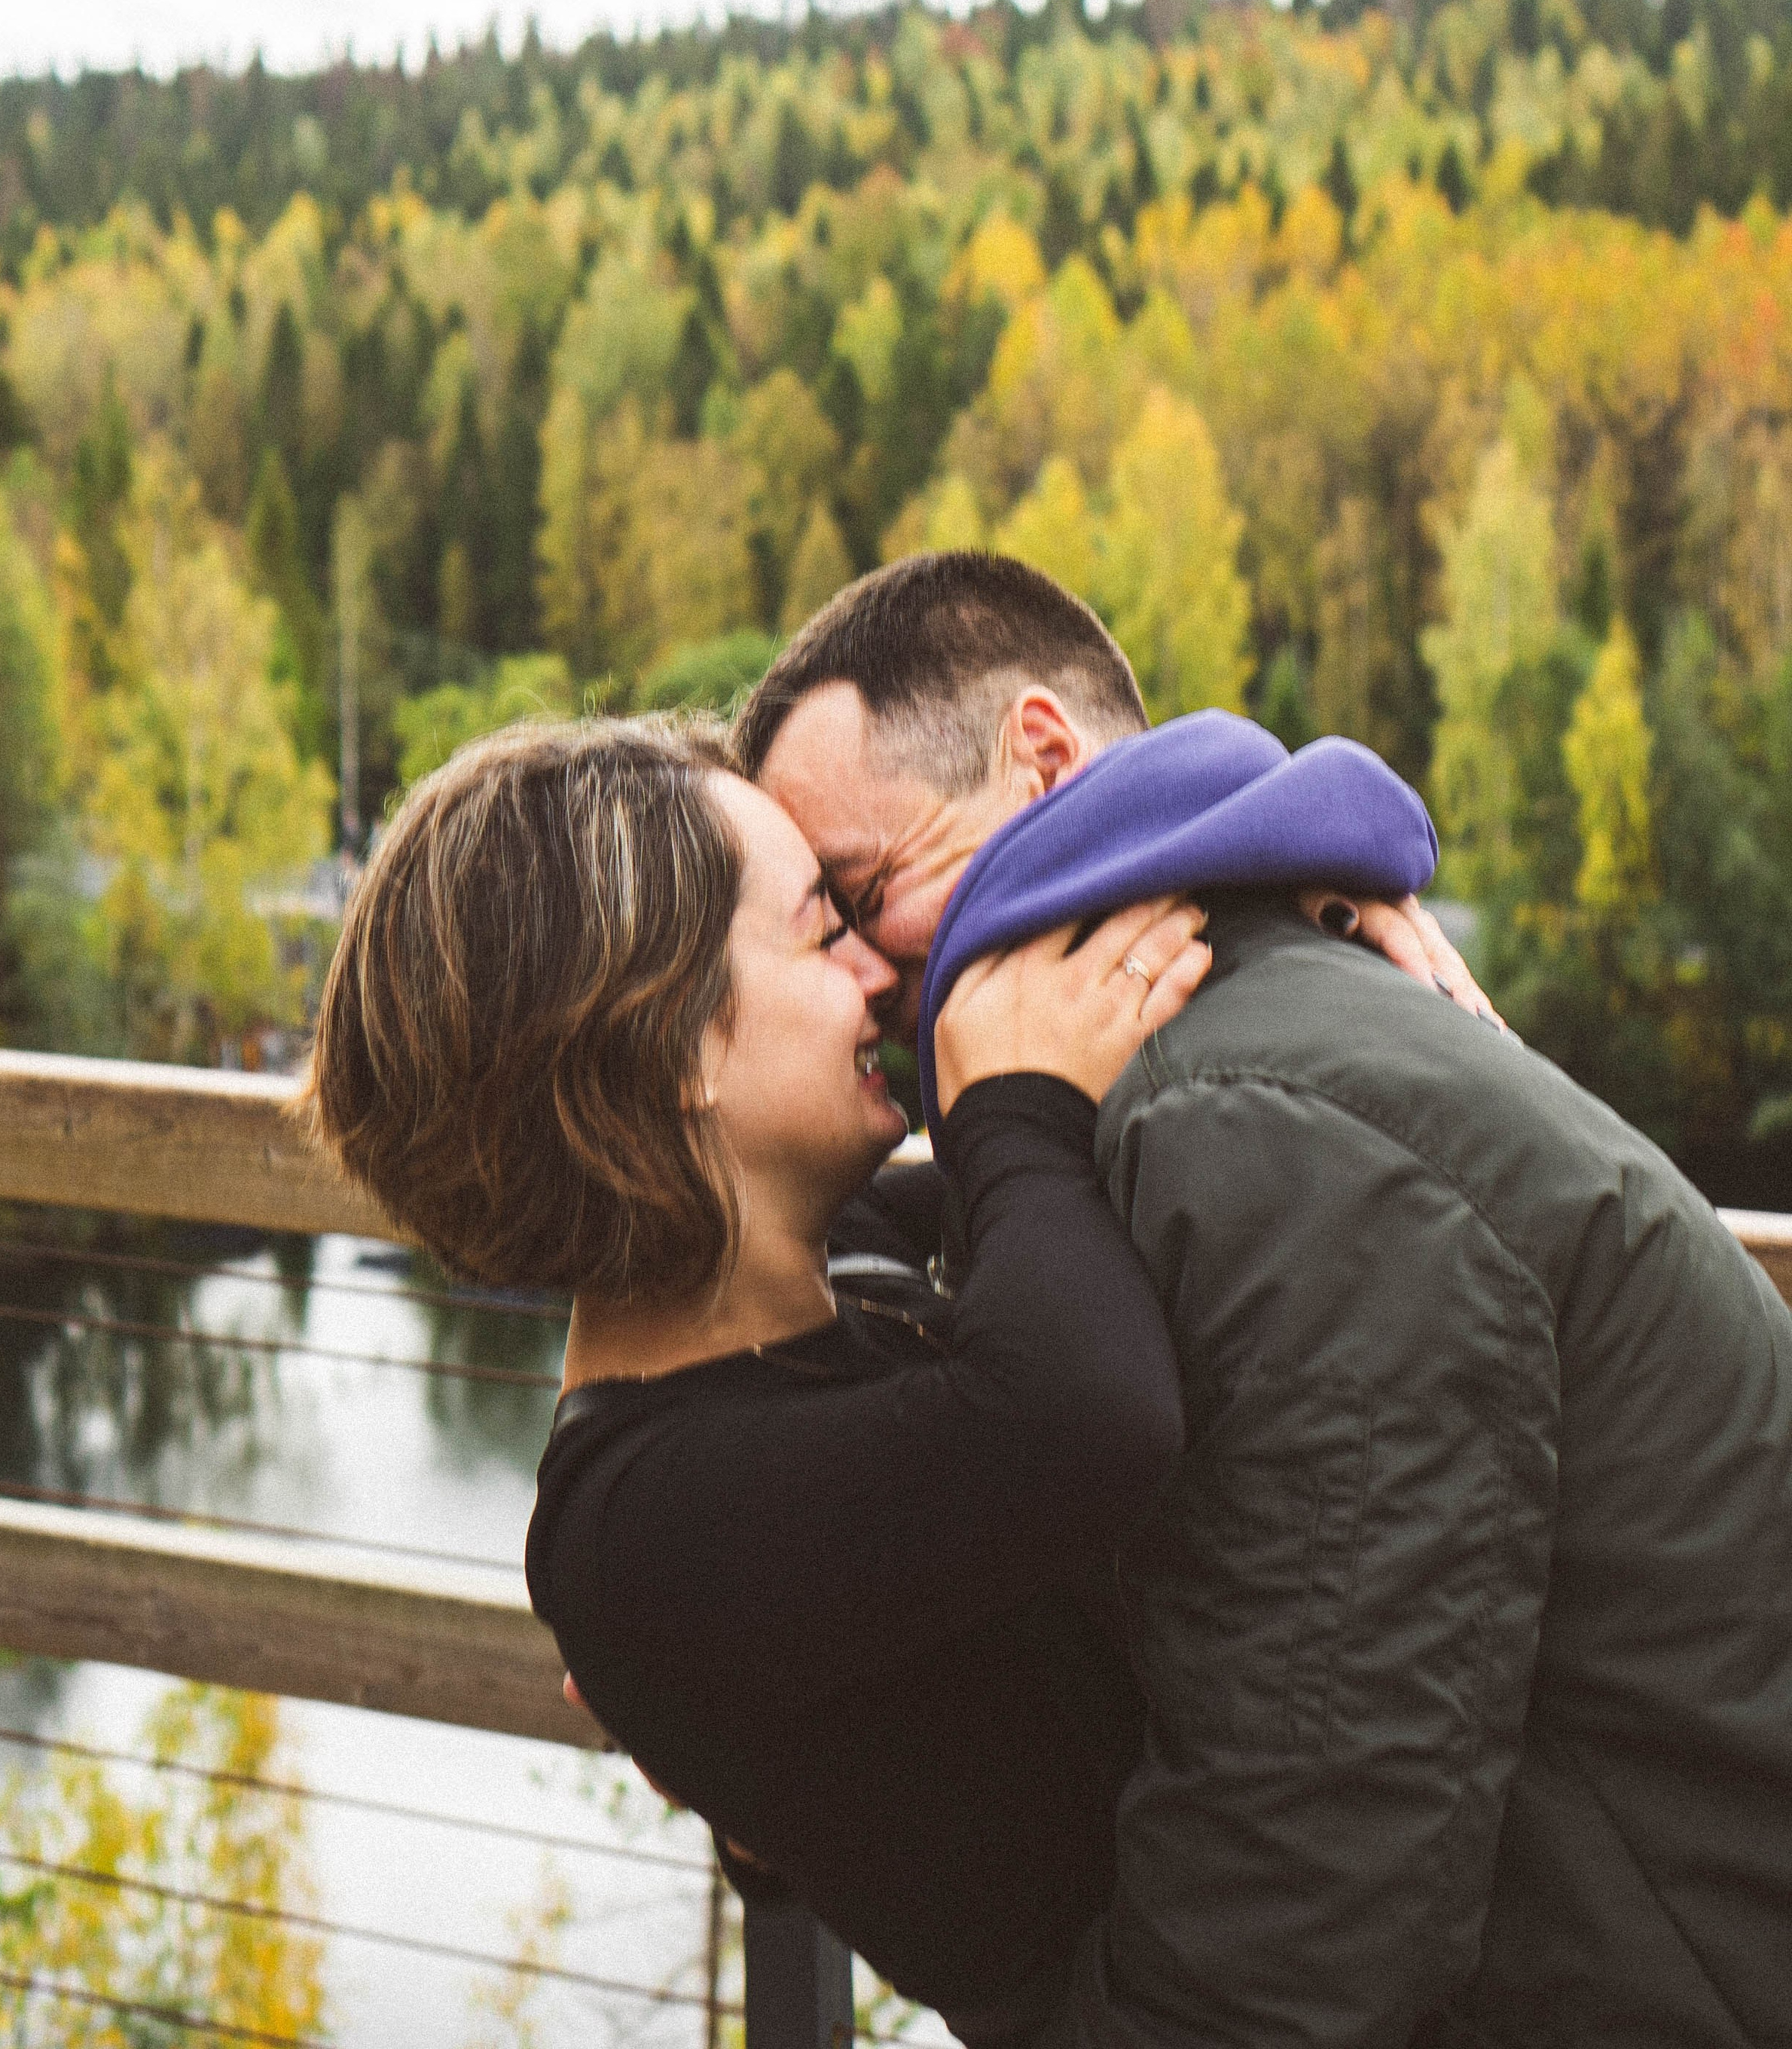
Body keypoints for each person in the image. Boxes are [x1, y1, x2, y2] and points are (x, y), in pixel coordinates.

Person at [738, 551, 1792, 2049]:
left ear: (1041, 754)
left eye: (860, 892)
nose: (854, 975)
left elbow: (1316, 1839)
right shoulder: (1205, 1061)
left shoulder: (1247, 1116)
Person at [300, 713, 1460, 2044]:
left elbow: (1047, 1254)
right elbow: (1081, 1413)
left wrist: (1304, 920)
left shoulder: (814, 1267)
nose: (880, 972)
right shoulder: (645, 1530)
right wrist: (1010, 1108)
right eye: (821, 928)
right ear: (675, 1047)